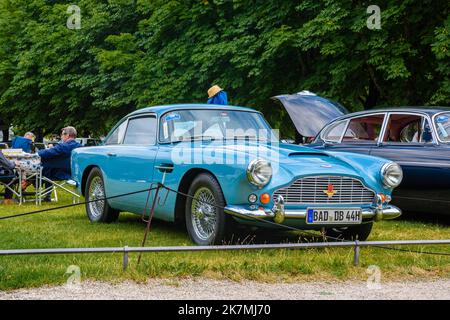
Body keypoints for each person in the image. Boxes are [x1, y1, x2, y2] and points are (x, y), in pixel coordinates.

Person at [37, 126, 81, 201]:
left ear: (67, 135)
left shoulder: (63, 146)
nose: (61, 137)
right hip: (73, 173)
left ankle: (25, 189)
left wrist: (36, 153)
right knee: (47, 167)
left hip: (58, 173)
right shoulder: (80, 147)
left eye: (62, 134)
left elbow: (47, 153)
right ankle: (47, 195)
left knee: (39, 169)